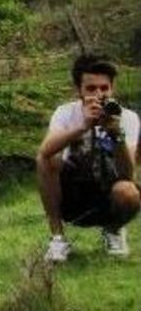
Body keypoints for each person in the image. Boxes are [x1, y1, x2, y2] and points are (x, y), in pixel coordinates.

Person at [37, 53, 139, 262]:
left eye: (104, 88)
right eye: (91, 89)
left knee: (128, 191)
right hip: (72, 195)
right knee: (48, 159)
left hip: (108, 194)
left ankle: (113, 230)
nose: (99, 94)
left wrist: (116, 134)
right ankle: (57, 238)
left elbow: (128, 174)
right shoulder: (65, 113)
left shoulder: (127, 117)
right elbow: (44, 153)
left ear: (112, 89)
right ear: (79, 91)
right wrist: (83, 126)